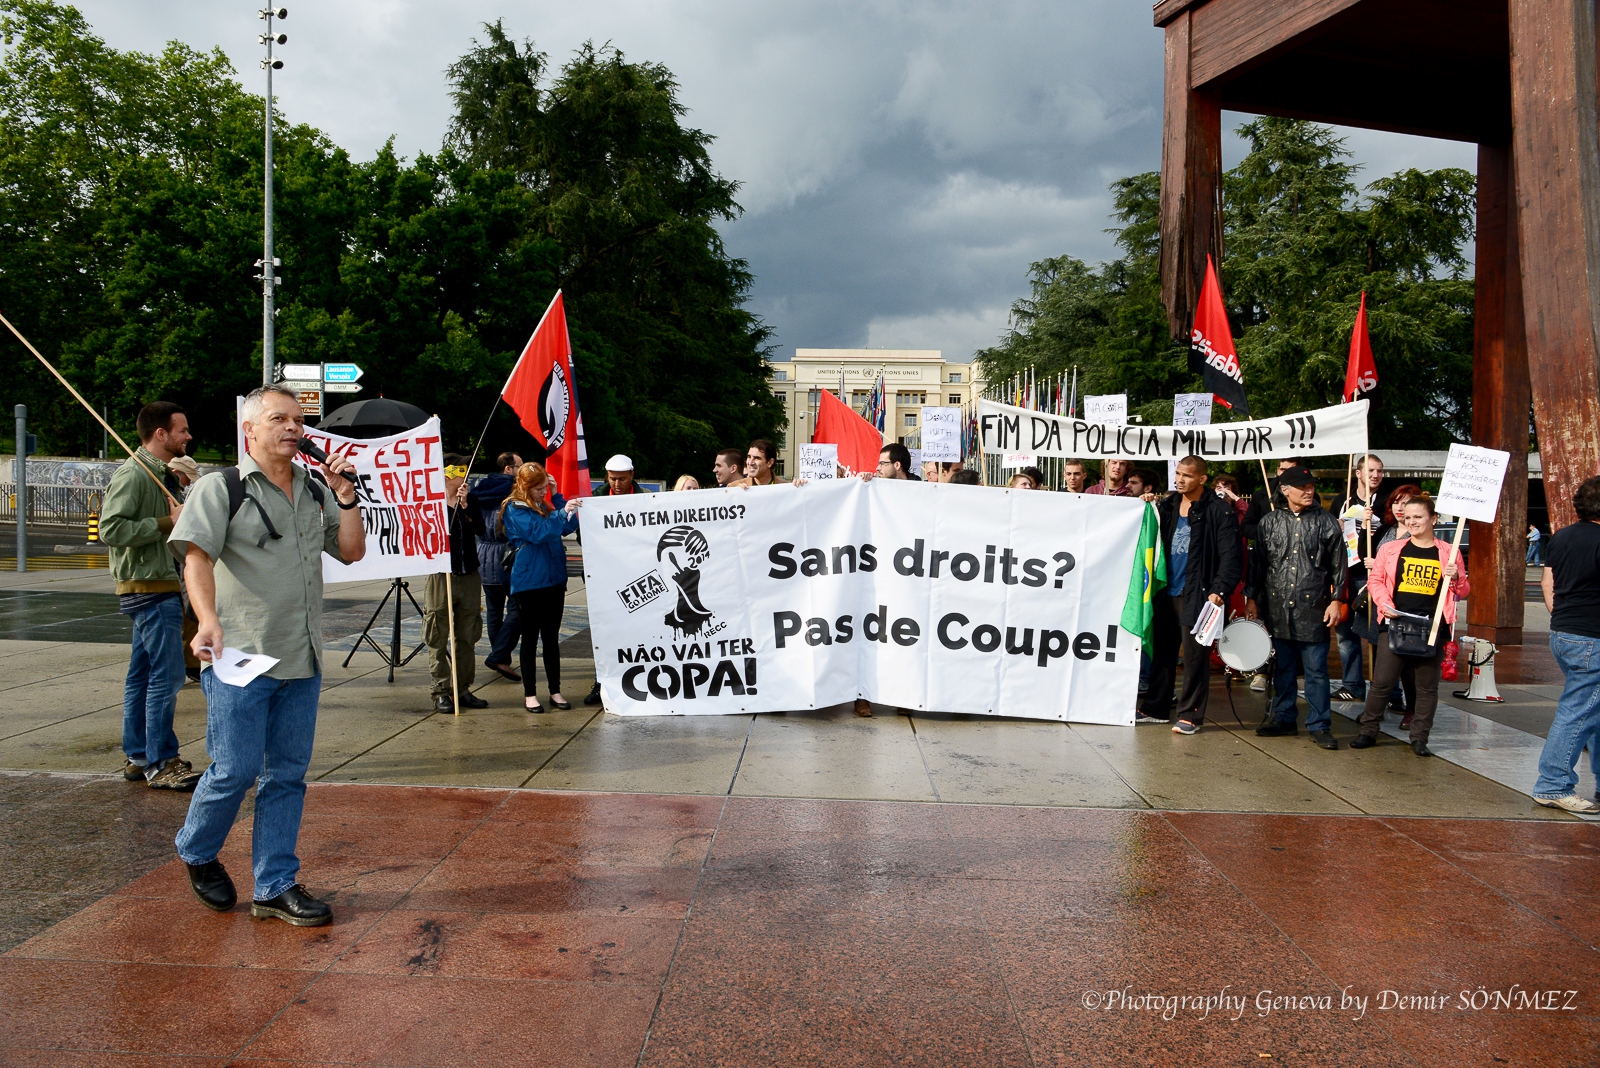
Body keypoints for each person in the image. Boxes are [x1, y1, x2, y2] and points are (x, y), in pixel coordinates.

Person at [170, 383, 366, 926]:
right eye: (279, 419)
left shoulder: (314, 488)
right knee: (233, 769)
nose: (292, 429)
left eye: (298, 421)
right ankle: (196, 848)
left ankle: (274, 885)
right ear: (249, 430)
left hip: (301, 657)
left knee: (286, 776)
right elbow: (196, 559)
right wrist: (207, 620)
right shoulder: (219, 488)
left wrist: (346, 495)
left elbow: (350, 551)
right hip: (240, 656)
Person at [100, 401, 202, 790]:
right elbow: (111, 529)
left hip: (155, 584)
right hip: (149, 587)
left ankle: (139, 756)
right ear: (161, 434)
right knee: (168, 674)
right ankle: (162, 761)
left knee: (141, 675)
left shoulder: (159, 475)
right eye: (182, 430)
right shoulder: (135, 476)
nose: (188, 437)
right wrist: (166, 522)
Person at [1351, 494, 1470, 757]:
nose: (1412, 521)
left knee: (1426, 687)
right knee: (1382, 682)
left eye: (1419, 517)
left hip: (1432, 626)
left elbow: (1462, 591)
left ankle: (1419, 738)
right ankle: (1368, 730)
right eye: (1408, 517)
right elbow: (1376, 581)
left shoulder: (1449, 553)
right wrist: (1385, 606)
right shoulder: (1391, 549)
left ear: (1433, 519)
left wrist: (1457, 577)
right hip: (1395, 624)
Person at [1245, 465, 1346, 750]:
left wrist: (1336, 599)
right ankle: (1284, 718)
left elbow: (1339, 565)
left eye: (1311, 486)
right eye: (1302, 486)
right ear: (1285, 490)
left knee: (1316, 670)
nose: (1308, 490)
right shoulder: (1268, 523)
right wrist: (1251, 598)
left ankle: (1319, 724)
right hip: (1278, 606)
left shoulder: (1326, 522)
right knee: (1284, 668)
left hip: (1313, 606)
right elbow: (1257, 565)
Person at [1138, 456, 1241, 734]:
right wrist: (1146, 504)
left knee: (1195, 658)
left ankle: (1190, 716)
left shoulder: (1219, 511)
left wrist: (1220, 590)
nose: (1180, 479)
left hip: (1198, 593)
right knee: (1162, 652)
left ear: (1202, 479)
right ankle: (1155, 708)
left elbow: (1231, 557)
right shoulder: (1168, 505)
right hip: (1164, 590)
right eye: (1178, 474)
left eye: (1187, 475)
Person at [1531, 476, 1600, 812]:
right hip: (1593, 638)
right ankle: (1553, 784)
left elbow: (1550, 582)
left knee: (1594, 710)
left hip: (1564, 632)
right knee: (1578, 712)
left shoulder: (1561, 536)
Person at [500, 463, 581, 713]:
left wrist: (558, 498)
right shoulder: (514, 508)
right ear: (525, 487)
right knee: (530, 640)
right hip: (529, 582)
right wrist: (559, 512)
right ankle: (530, 693)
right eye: (538, 489)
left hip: (554, 579)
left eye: (545, 487)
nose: (542, 493)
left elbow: (568, 526)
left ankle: (555, 690)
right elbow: (538, 532)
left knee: (551, 639)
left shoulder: (547, 503)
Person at [424, 454, 488, 714]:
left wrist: (464, 506)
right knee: (437, 633)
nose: (466, 475)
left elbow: (482, 530)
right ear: (448, 474)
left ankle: (462, 688)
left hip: (469, 574)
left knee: (467, 634)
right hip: (442, 576)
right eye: (461, 470)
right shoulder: (432, 502)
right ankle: (440, 690)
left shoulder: (470, 500)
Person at [1327, 453, 1386, 704]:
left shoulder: (1385, 502)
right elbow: (1328, 533)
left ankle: (1387, 690)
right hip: (1345, 574)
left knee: (1378, 633)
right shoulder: (1342, 500)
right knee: (1345, 633)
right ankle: (1352, 684)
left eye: (1380, 471)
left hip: (1373, 576)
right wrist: (1337, 526)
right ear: (1358, 473)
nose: (1375, 475)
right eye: (1371, 470)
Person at [582, 456, 637, 707]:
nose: (617, 483)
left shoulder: (646, 499)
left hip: (635, 574)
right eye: (612, 478)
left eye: (622, 479)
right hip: (604, 578)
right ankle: (600, 682)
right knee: (604, 633)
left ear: (632, 476)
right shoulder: (594, 500)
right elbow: (584, 537)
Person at [478, 452, 524, 683]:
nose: (522, 471)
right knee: (518, 608)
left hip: (483, 556)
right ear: (508, 469)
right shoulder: (512, 491)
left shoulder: (480, 488)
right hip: (506, 555)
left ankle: (501, 658)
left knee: (494, 611)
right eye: (519, 466)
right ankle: (499, 657)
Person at [1241, 458, 1299, 543]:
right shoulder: (1260, 496)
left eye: (1291, 470)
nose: (1287, 473)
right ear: (1278, 470)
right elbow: (1246, 527)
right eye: (1283, 469)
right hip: (1268, 551)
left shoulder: (1309, 497)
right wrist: (1268, 531)